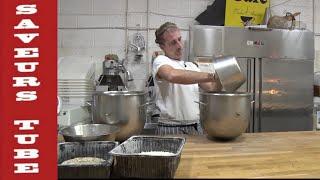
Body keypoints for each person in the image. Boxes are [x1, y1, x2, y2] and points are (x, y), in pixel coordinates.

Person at [152, 22, 222, 135]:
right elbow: (172, 75)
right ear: (162, 46)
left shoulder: (191, 66)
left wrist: (221, 73)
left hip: (195, 126)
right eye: (173, 42)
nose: (179, 45)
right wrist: (211, 76)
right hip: (170, 127)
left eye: (179, 39)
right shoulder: (161, 61)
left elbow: (212, 88)